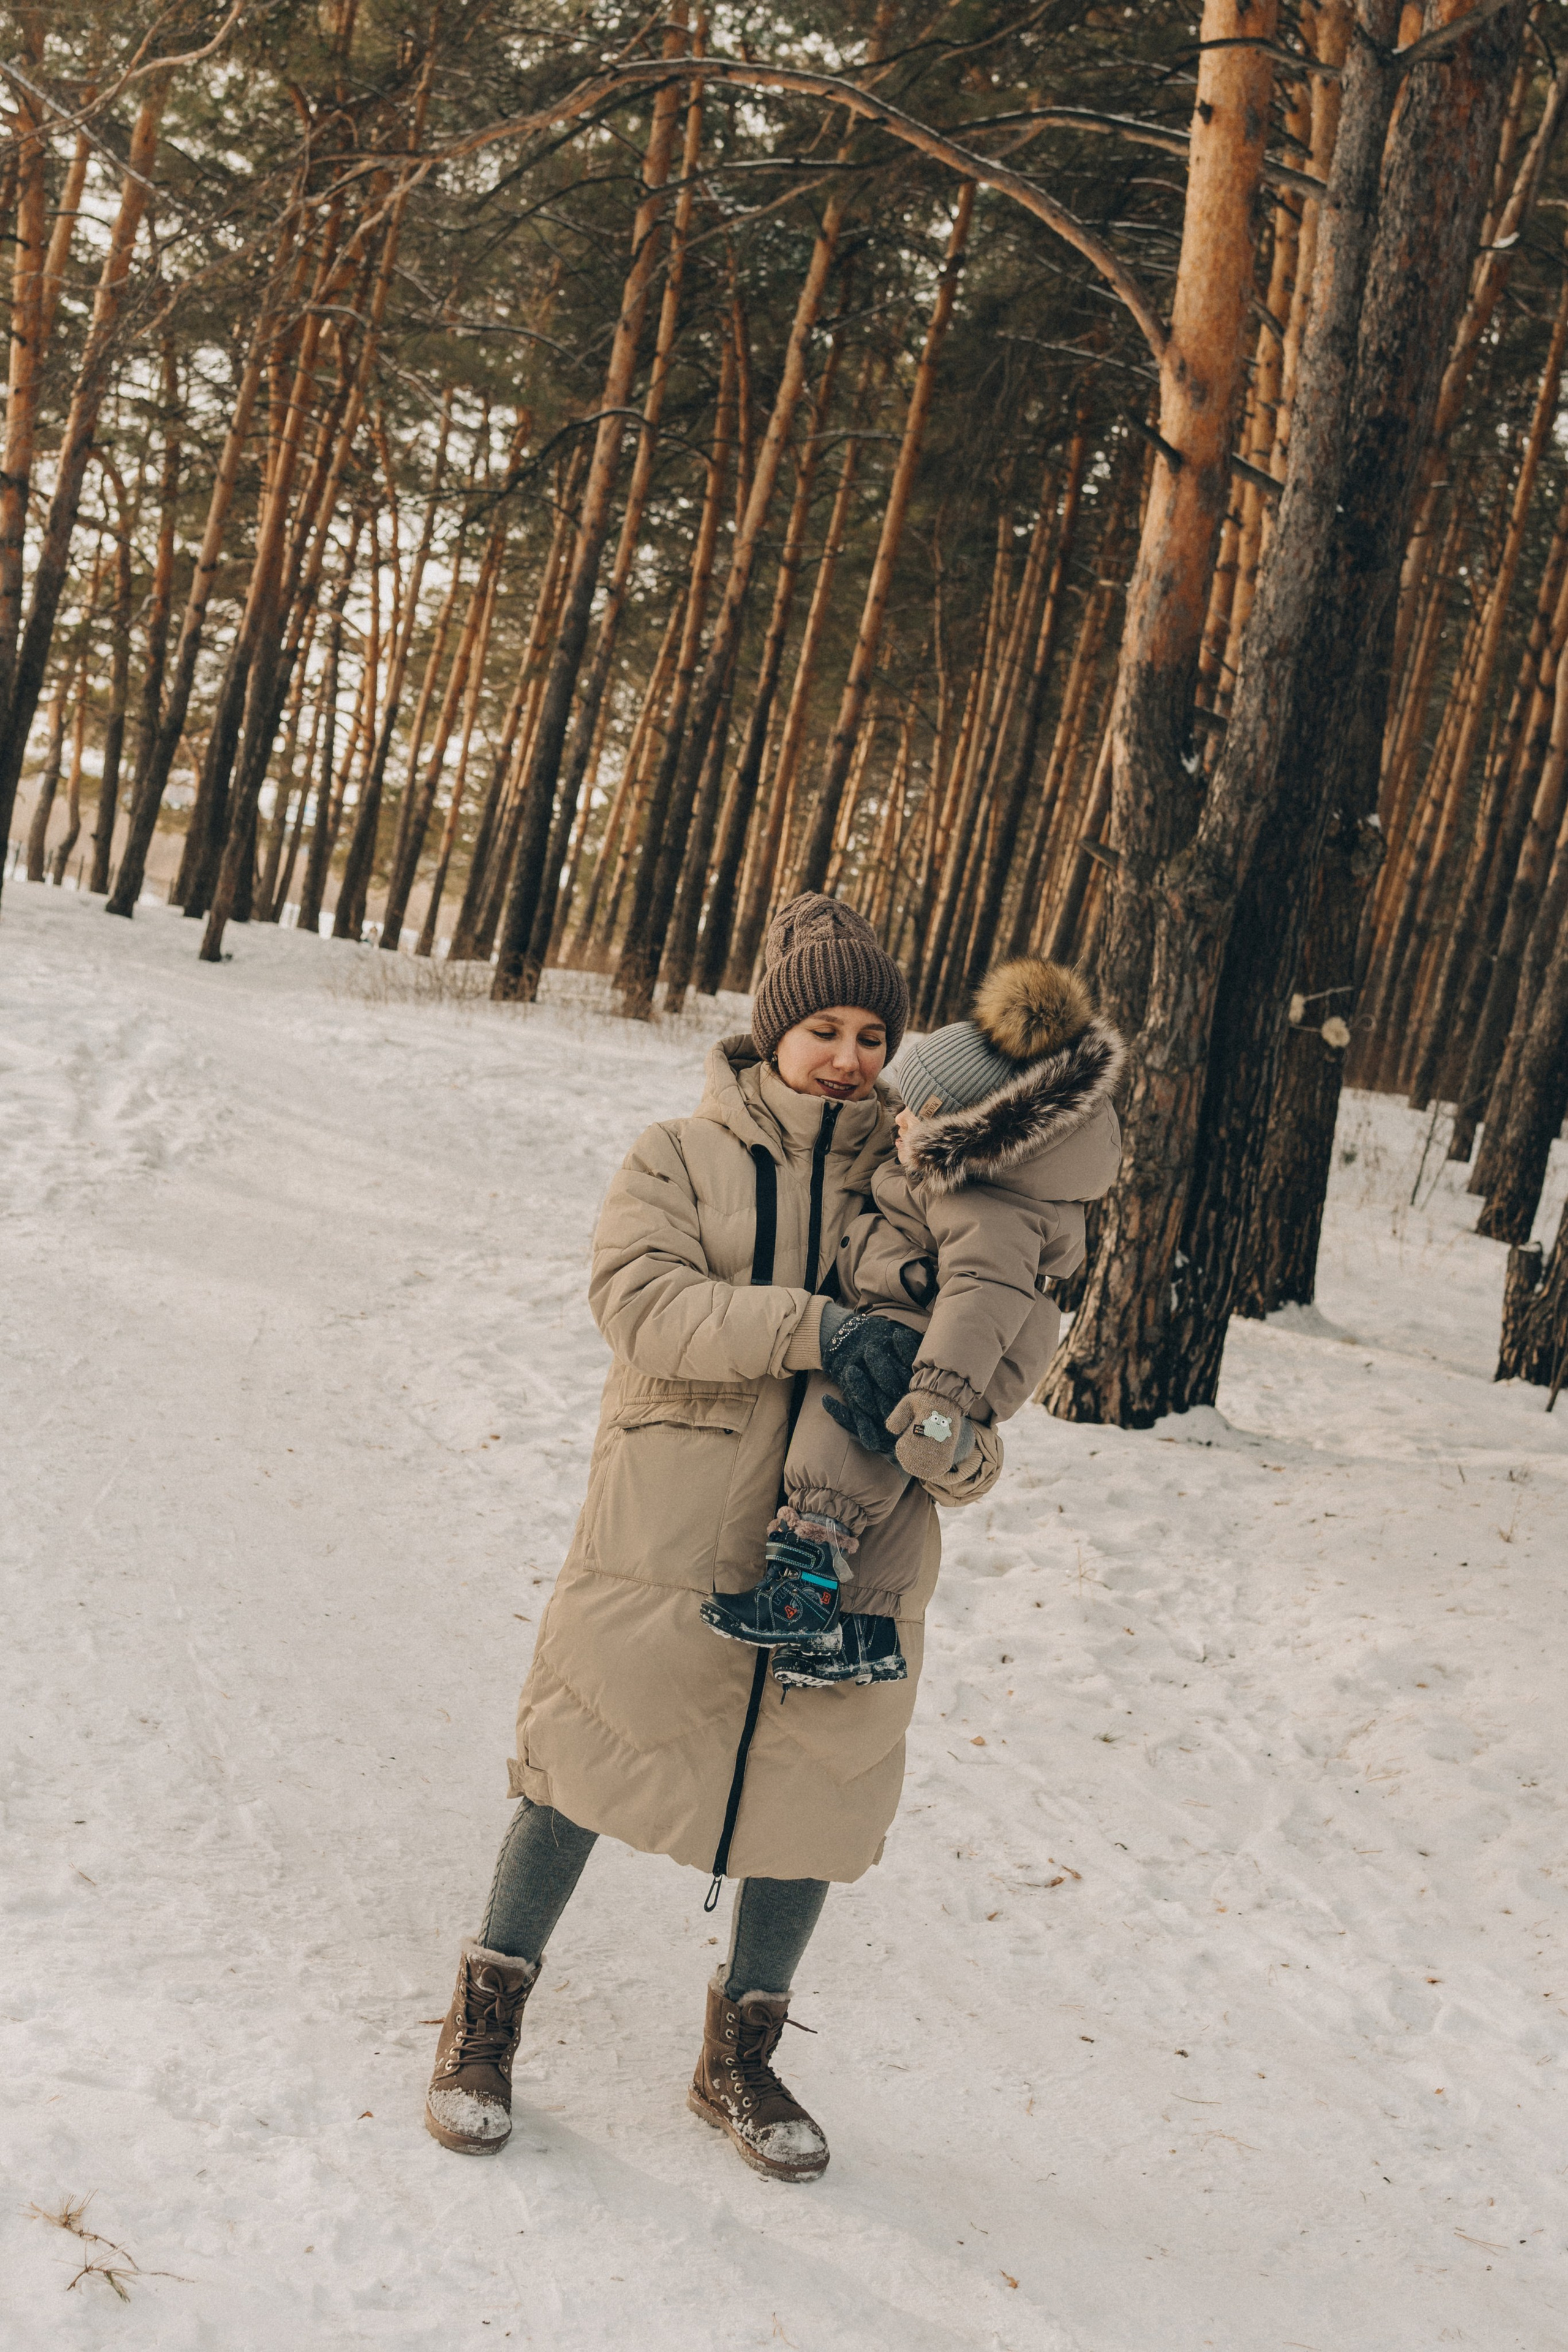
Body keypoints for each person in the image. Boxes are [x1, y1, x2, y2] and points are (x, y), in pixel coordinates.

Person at [424, 894, 1002, 2183]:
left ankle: (738, 2053)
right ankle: (488, 2013)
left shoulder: (928, 1187)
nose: (848, 1055)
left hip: (851, 1553)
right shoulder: (677, 1156)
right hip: (668, 1537)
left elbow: (986, 1352)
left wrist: (956, 1448)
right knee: (585, 1756)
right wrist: (817, 1331)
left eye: (871, 1032)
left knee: (816, 1794)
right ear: (770, 1032)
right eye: (822, 1027)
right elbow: (641, 1306)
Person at [700, 956, 1123, 1691]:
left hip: (943, 1357)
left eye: (915, 1114)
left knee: (841, 1438)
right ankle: (858, 1633)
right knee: (890, 1478)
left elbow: (983, 1294)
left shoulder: (983, 1201)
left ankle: (801, 1597)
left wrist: (938, 1397)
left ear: (965, 1132)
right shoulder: (969, 1181)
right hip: (930, 1342)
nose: (897, 1120)